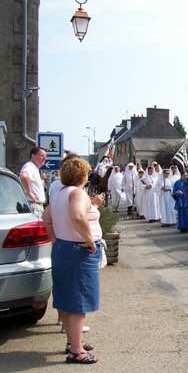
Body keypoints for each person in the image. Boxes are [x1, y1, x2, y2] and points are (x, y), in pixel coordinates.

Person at [41, 157, 102, 364]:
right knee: (78, 302)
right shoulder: (77, 193)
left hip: (63, 248)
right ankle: (76, 351)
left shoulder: (59, 193)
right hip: (78, 251)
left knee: (68, 298)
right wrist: (90, 240)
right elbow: (77, 216)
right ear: (82, 175)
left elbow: (46, 216)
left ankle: (73, 342)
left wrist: (56, 238)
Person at [19, 147, 47, 216]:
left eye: (45, 156)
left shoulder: (34, 168)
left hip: (37, 205)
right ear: (33, 155)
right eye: (42, 156)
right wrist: (30, 192)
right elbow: (24, 176)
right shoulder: (30, 166)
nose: (45, 158)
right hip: (34, 205)